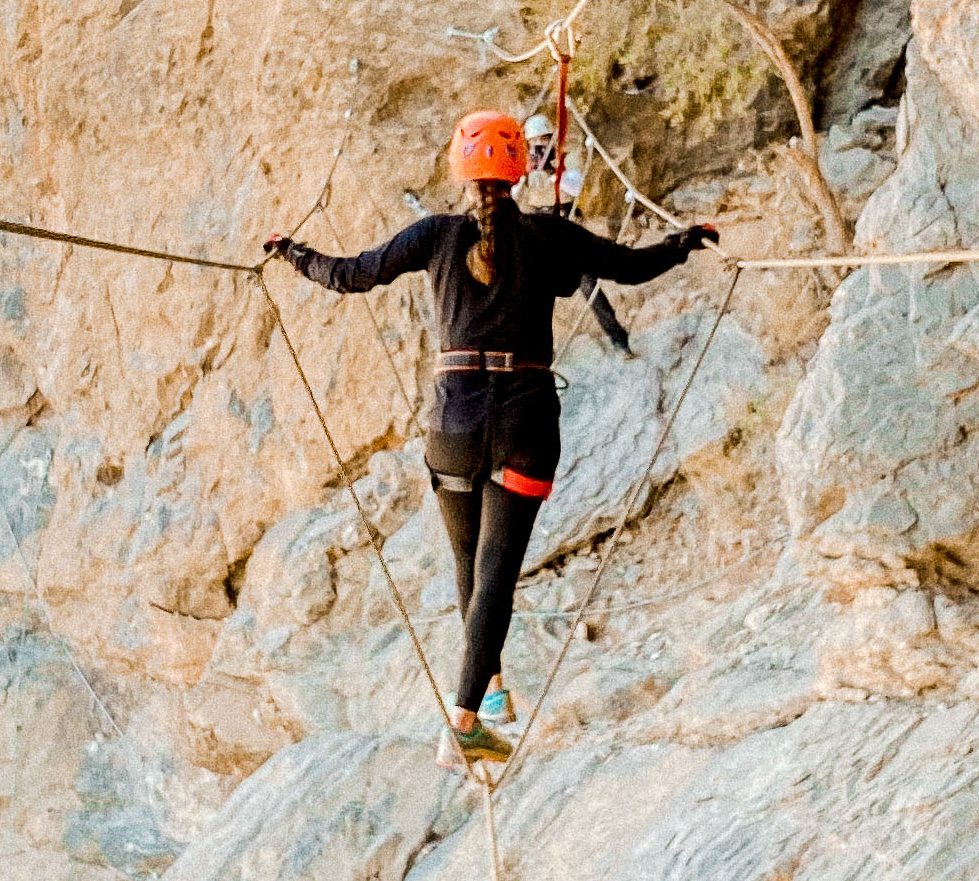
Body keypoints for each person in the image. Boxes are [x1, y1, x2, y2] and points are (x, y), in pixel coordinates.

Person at [266, 112, 718, 765]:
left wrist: (291, 251)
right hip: (525, 426)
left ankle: (494, 691)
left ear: (457, 168)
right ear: (520, 171)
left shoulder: (434, 235)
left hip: (451, 426)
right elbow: (630, 266)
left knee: (467, 563)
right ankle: (465, 720)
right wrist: (686, 242)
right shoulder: (549, 235)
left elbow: (351, 274)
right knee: (497, 575)